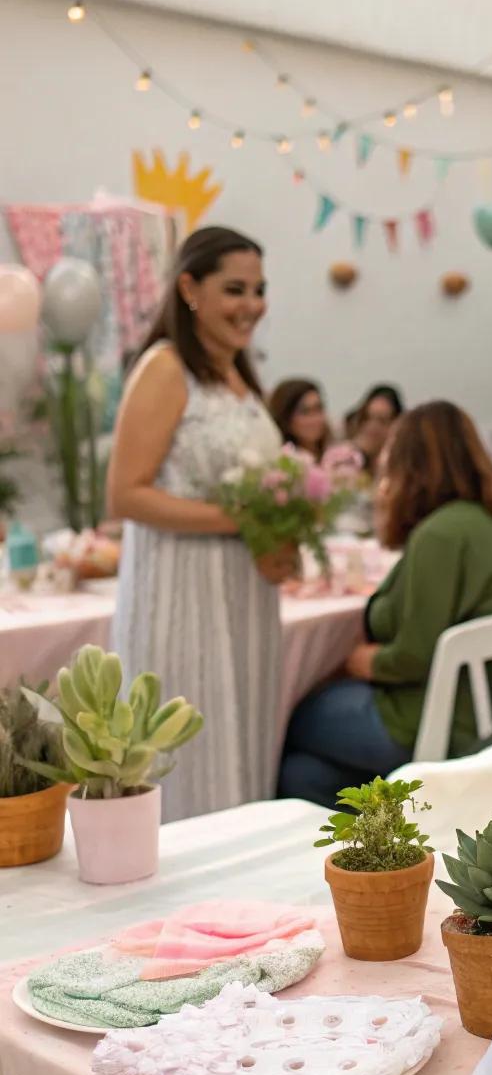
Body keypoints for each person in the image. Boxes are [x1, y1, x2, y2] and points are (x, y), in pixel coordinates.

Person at [108, 225, 290, 822]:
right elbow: (126, 495)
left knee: (243, 734)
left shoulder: (240, 375)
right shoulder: (165, 368)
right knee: (192, 746)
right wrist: (238, 522)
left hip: (244, 594)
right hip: (181, 588)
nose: (252, 306)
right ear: (190, 288)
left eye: (258, 290)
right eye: (234, 289)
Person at [279, 401, 492, 806]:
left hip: (445, 719)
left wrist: (361, 662)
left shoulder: (441, 534)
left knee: (293, 717)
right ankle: (394, 835)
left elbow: (413, 656)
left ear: (409, 463)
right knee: (301, 774)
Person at [344, 383, 404, 474]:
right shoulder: (345, 461)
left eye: (382, 421)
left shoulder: (400, 472)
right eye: (366, 418)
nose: (371, 426)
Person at [268, 377, 331, 460]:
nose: (315, 419)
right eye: (305, 412)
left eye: (318, 409)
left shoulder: (338, 455)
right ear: (286, 420)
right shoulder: (281, 462)